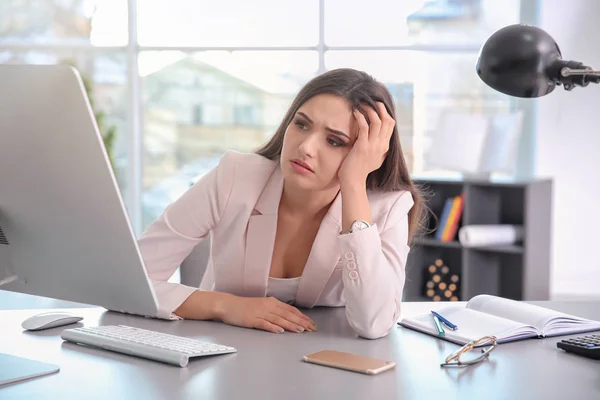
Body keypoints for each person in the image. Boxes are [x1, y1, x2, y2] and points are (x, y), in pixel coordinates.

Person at [138, 68, 425, 339]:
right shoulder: (234, 176)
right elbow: (131, 283)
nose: (306, 147)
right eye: (301, 124)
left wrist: (353, 184)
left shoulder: (389, 207)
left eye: (335, 141)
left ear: (368, 153)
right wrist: (226, 306)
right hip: (225, 360)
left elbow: (375, 323)